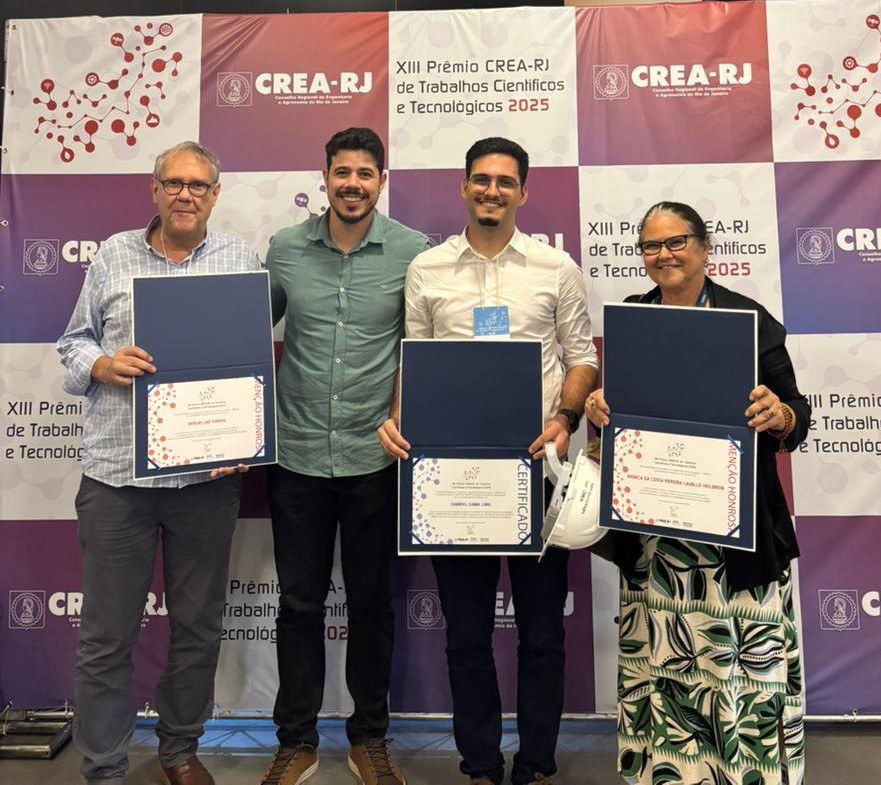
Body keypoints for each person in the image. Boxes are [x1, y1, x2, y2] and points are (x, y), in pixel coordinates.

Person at [378, 137, 599, 785]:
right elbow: (411, 362)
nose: (491, 190)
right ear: (464, 187)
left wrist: (564, 419)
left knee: (541, 635)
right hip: (453, 479)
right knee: (466, 636)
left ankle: (534, 764)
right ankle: (478, 764)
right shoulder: (429, 268)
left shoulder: (555, 267)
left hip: (538, 474)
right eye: (481, 179)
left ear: (523, 192)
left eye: (505, 181)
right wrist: (396, 418)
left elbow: (580, 356)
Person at [584, 201, 809, 785]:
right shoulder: (634, 316)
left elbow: (798, 416)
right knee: (663, 671)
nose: (664, 255)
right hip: (658, 544)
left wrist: (778, 412)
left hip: (735, 545)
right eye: (651, 246)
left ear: (705, 248)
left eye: (676, 242)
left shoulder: (747, 318)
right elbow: (618, 410)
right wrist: (599, 407)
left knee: (735, 675)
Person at [57, 141, 260, 785]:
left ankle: (178, 749)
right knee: (107, 637)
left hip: (204, 482)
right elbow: (72, 343)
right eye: (173, 183)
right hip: (118, 478)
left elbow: (249, 363)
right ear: (154, 190)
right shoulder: (113, 255)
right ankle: (105, 765)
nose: (185, 194)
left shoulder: (238, 260)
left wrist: (242, 436)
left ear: (215, 195)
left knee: (197, 629)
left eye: (198, 185)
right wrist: (102, 365)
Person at [260, 127, 428, 785]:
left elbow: (421, 346)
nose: (352, 183)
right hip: (297, 454)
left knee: (372, 605)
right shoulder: (284, 249)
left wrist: (401, 412)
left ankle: (369, 738)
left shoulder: (412, 252)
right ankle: (295, 741)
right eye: (341, 171)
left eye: (365, 172)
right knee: (298, 604)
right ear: (324, 176)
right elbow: (246, 338)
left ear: (380, 180)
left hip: (376, 459)